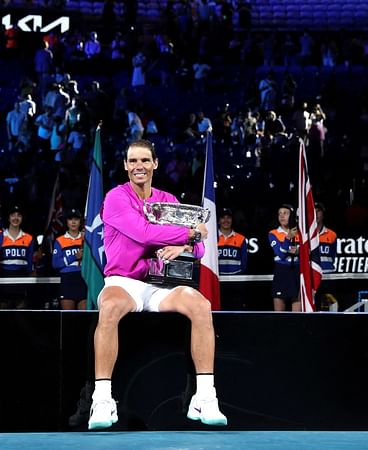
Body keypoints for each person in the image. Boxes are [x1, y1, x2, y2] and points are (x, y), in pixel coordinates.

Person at [88, 139, 227, 430]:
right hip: (124, 281)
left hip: (162, 284)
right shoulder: (116, 198)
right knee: (110, 306)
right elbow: (143, 233)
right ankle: (102, 400)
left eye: (144, 161)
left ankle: (205, 396)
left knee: (201, 306)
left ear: (155, 164)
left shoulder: (168, 201)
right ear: (126, 166)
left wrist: (185, 245)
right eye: (133, 161)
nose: (139, 166)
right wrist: (189, 235)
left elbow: (199, 249)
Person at [0, 205, 35, 309]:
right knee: (3, 315)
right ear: (9, 218)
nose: (16, 218)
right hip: (3, 279)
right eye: (13, 215)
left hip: (21, 280)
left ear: (22, 218)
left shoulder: (29, 238)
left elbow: (29, 262)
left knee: (21, 316)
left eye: (19, 215)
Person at [52, 208, 87, 310]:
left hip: (83, 278)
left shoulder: (86, 240)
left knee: (83, 318)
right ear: (66, 222)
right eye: (70, 219)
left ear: (80, 221)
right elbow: (55, 263)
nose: (73, 222)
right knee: (68, 318)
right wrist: (74, 257)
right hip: (67, 280)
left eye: (76, 219)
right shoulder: (60, 241)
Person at [269, 204, 300, 312]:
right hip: (281, 272)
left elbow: (308, 252)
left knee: (297, 316)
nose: (282, 216)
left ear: (292, 216)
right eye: (280, 214)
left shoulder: (301, 233)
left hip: (297, 271)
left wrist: (299, 251)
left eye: (285, 213)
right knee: (279, 316)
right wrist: (288, 238)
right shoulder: (273, 233)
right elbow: (281, 254)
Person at [217, 208, 248, 275]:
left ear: (232, 220)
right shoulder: (213, 238)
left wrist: (239, 275)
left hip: (236, 278)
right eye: (223, 218)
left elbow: (244, 261)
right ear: (218, 221)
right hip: (217, 278)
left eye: (228, 218)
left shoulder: (241, 238)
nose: (226, 220)